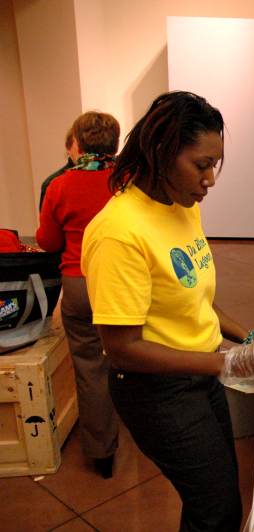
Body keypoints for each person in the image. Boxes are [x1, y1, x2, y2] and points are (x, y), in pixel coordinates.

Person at [81, 91, 254, 531]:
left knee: (222, 497)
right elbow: (121, 348)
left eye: (214, 165)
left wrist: (251, 341)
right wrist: (228, 361)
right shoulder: (118, 232)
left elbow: (194, 298)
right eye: (201, 165)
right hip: (155, 392)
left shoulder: (182, 206)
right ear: (162, 153)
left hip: (200, 374)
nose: (211, 179)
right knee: (214, 508)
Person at [36, 111, 120, 478]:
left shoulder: (59, 185)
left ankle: (102, 452)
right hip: (122, 279)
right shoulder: (128, 179)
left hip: (79, 282)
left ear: (77, 143)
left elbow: (48, 241)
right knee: (135, 352)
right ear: (115, 143)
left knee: (89, 366)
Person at [39, 128, 80, 211]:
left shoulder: (107, 176)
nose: (84, 150)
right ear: (68, 148)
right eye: (79, 144)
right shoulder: (52, 183)